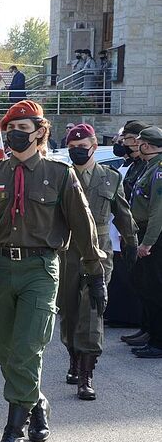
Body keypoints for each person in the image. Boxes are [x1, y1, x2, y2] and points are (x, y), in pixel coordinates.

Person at [0, 100, 106, 442]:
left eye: (23, 128)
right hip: (0, 267)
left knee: (28, 347)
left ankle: (13, 430)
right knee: (3, 348)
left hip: (41, 270)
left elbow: (83, 225)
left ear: (40, 131)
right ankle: (36, 401)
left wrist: (95, 273)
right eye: (10, 128)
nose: (15, 134)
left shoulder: (60, 174)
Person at [57, 124, 137, 399]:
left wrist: (130, 241)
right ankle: (73, 359)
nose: (78, 152)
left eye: (82, 147)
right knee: (68, 311)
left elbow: (123, 212)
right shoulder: (61, 177)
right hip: (68, 252)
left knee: (92, 309)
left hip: (100, 252)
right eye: (72, 148)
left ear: (93, 144)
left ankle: (86, 374)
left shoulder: (110, 178)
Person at [117, 121, 152, 346]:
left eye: (130, 140)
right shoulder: (138, 165)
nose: (128, 144)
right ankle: (146, 327)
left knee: (150, 284)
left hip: (147, 230)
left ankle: (152, 333)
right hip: (136, 227)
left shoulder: (152, 167)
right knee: (142, 283)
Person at [128, 125, 162, 359]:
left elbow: (158, 211)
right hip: (143, 232)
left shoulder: (158, 170)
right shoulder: (149, 167)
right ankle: (150, 332)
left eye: (138, 142)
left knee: (154, 289)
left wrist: (147, 243)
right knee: (145, 287)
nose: (134, 145)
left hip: (154, 237)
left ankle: (158, 342)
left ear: (147, 146)